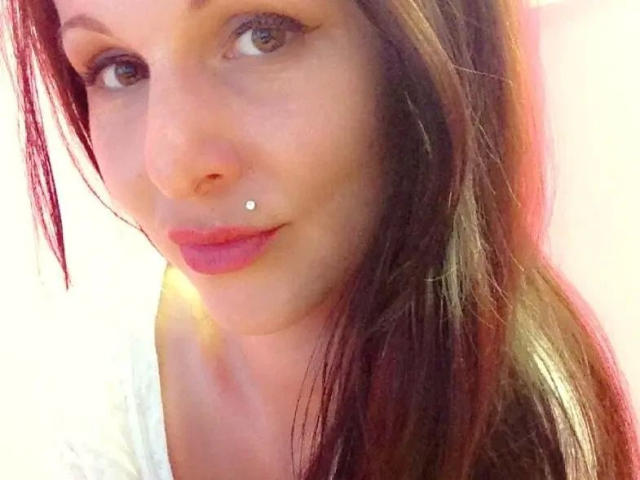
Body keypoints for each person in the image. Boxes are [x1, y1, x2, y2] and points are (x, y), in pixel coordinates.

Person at [2, 0, 639, 478]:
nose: (172, 166)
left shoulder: (532, 430)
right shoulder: (94, 378)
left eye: (262, 34)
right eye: (118, 69)